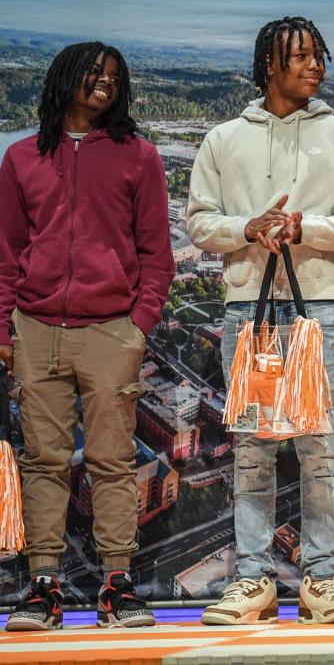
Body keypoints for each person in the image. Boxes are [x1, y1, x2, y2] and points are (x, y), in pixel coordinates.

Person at [188, 17, 334, 625]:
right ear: (269, 63)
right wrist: (247, 227)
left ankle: (321, 580)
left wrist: (304, 227)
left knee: (319, 447)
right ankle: (253, 579)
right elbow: (198, 223)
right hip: (248, 307)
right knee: (253, 449)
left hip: (319, 304)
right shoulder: (223, 139)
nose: (315, 65)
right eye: (300, 56)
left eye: (319, 54)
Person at [0, 42, 173, 631]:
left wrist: (137, 327)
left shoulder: (139, 157)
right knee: (43, 460)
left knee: (112, 461)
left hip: (110, 330)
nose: (103, 83)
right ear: (64, 78)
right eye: (93, 73)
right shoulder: (21, 158)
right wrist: (5, 328)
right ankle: (42, 588)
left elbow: (157, 253)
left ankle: (116, 587)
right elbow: (6, 254)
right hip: (34, 326)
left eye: (113, 77)